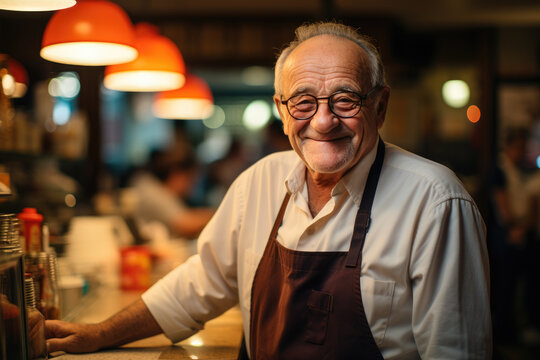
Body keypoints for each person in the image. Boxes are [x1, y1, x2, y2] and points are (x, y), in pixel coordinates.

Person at [46, 22, 491, 359]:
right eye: (303, 101)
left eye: (346, 99)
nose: (322, 121)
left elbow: (455, 353)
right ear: (281, 110)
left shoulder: (435, 202)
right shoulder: (259, 182)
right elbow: (201, 283)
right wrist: (97, 334)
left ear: (380, 105)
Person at [128, 145, 215, 239]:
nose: (193, 186)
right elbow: (184, 224)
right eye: (191, 180)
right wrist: (219, 214)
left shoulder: (155, 187)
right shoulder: (152, 191)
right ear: (178, 175)